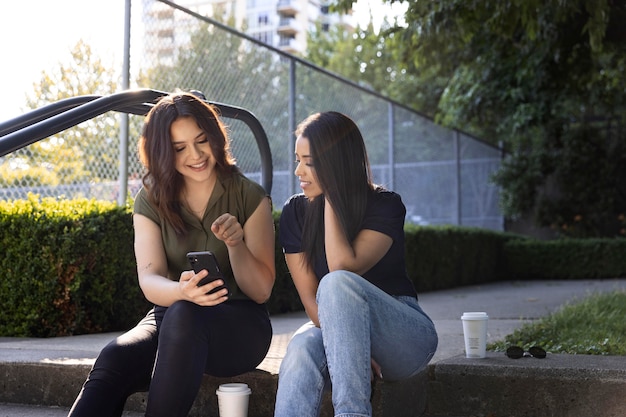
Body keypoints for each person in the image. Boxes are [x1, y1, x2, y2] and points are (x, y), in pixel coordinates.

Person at [68, 92, 275, 417]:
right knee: (116, 356)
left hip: (240, 323)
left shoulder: (250, 196)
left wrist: (236, 245)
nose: (195, 154)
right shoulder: (151, 200)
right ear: (162, 153)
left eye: (202, 140)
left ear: (216, 138)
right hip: (172, 317)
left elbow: (261, 290)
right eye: (179, 148)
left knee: (183, 314)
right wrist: (181, 291)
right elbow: (150, 278)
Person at [274, 111, 438, 417]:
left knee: (336, 283)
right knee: (299, 349)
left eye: (309, 162)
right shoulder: (295, 212)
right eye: (297, 159)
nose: (298, 170)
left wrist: (332, 195)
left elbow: (342, 267)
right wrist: (351, 348)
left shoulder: (385, 204)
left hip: (403, 336)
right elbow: (313, 302)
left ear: (336, 164)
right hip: (333, 327)